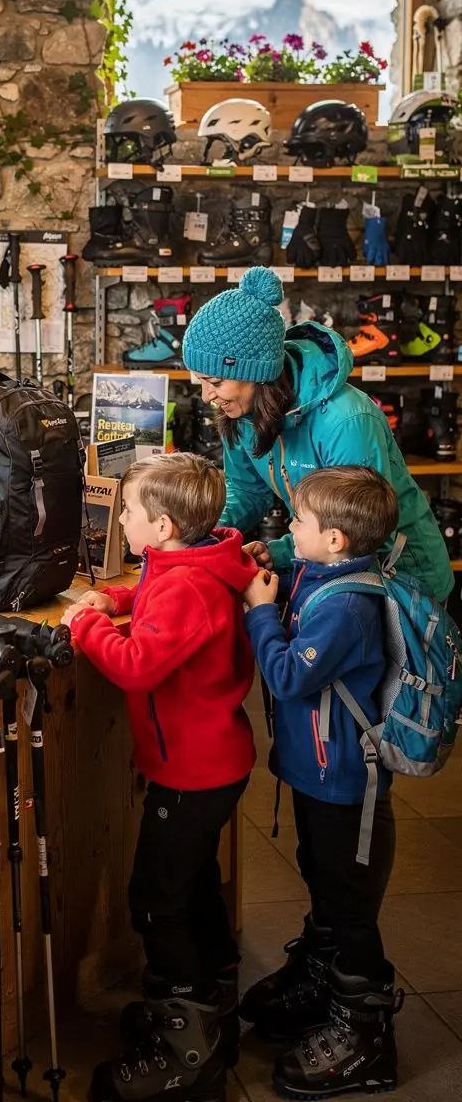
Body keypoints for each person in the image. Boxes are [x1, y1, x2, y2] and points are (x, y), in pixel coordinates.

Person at [61, 452, 257, 1102]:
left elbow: (139, 664)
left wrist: (87, 623)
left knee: (156, 898)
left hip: (193, 770)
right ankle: (212, 997)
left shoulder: (185, 585)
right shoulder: (187, 565)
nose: (122, 520)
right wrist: (114, 596)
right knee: (192, 883)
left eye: (131, 513)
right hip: (204, 762)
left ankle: (188, 1040)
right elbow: (154, 599)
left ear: (166, 525)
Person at [241, 465, 402, 1099]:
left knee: (347, 900)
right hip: (317, 771)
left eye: (299, 522)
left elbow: (286, 676)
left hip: (341, 781)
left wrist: (260, 611)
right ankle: (325, 983)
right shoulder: (322, 575)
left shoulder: (349, 606)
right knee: (322, 873)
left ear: (335, 538)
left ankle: (366, 1035)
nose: (290, 530)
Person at [181, 265, 453, 601]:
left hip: (403, 575)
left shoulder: (346, 420)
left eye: (216, 382)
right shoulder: (240, 410)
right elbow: (247, 490)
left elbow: (362, 531)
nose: (207, 396)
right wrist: (195, 534)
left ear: (259, 373)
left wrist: (280, 552)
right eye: (199, 381)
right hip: (326, 559)